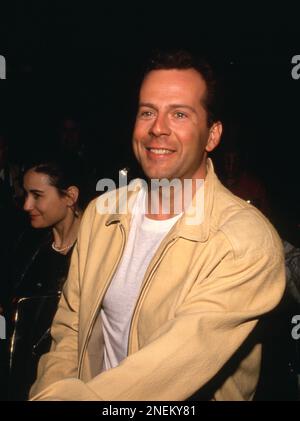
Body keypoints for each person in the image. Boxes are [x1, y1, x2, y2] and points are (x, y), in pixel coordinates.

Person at [30, 50, 285, 401]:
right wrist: (49, 392)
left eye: (179, 114)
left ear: (212, 136)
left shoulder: (245, 242)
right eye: (148, 111)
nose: (158, 128)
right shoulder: (103, 215)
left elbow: (171, 368)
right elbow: (70, 329)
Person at [6, 159, 84, 400]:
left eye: (37, 195)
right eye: (25, 194)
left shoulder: (96, 250)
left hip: (65, 378)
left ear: (70, 197)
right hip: (17, 374)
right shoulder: (26, 242)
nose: (27, 205)